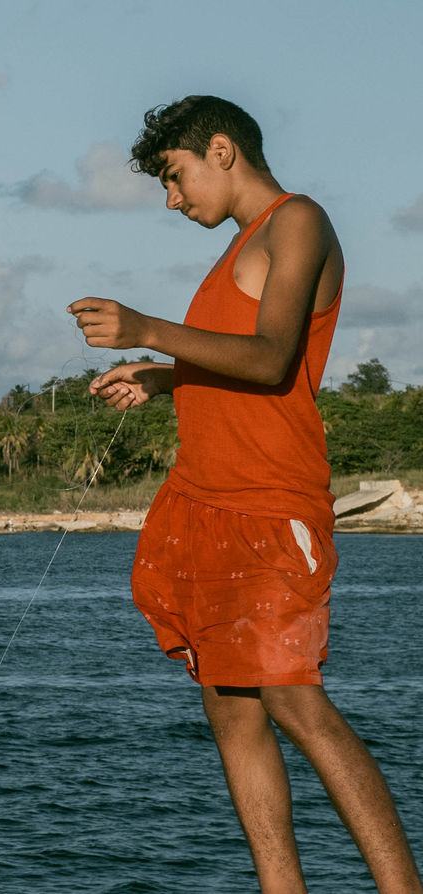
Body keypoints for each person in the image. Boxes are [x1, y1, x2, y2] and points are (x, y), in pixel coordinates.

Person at [67, 96, 422, 894]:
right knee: (230, 707)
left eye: (173, 176)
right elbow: (235, 363)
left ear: (220, 151)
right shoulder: (237, 250)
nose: (172, 199)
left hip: (270, 502)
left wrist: (148, 328)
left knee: (296, 702)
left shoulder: (299, 222)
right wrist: (165, 379)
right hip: (205, 500)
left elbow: (269, 361)